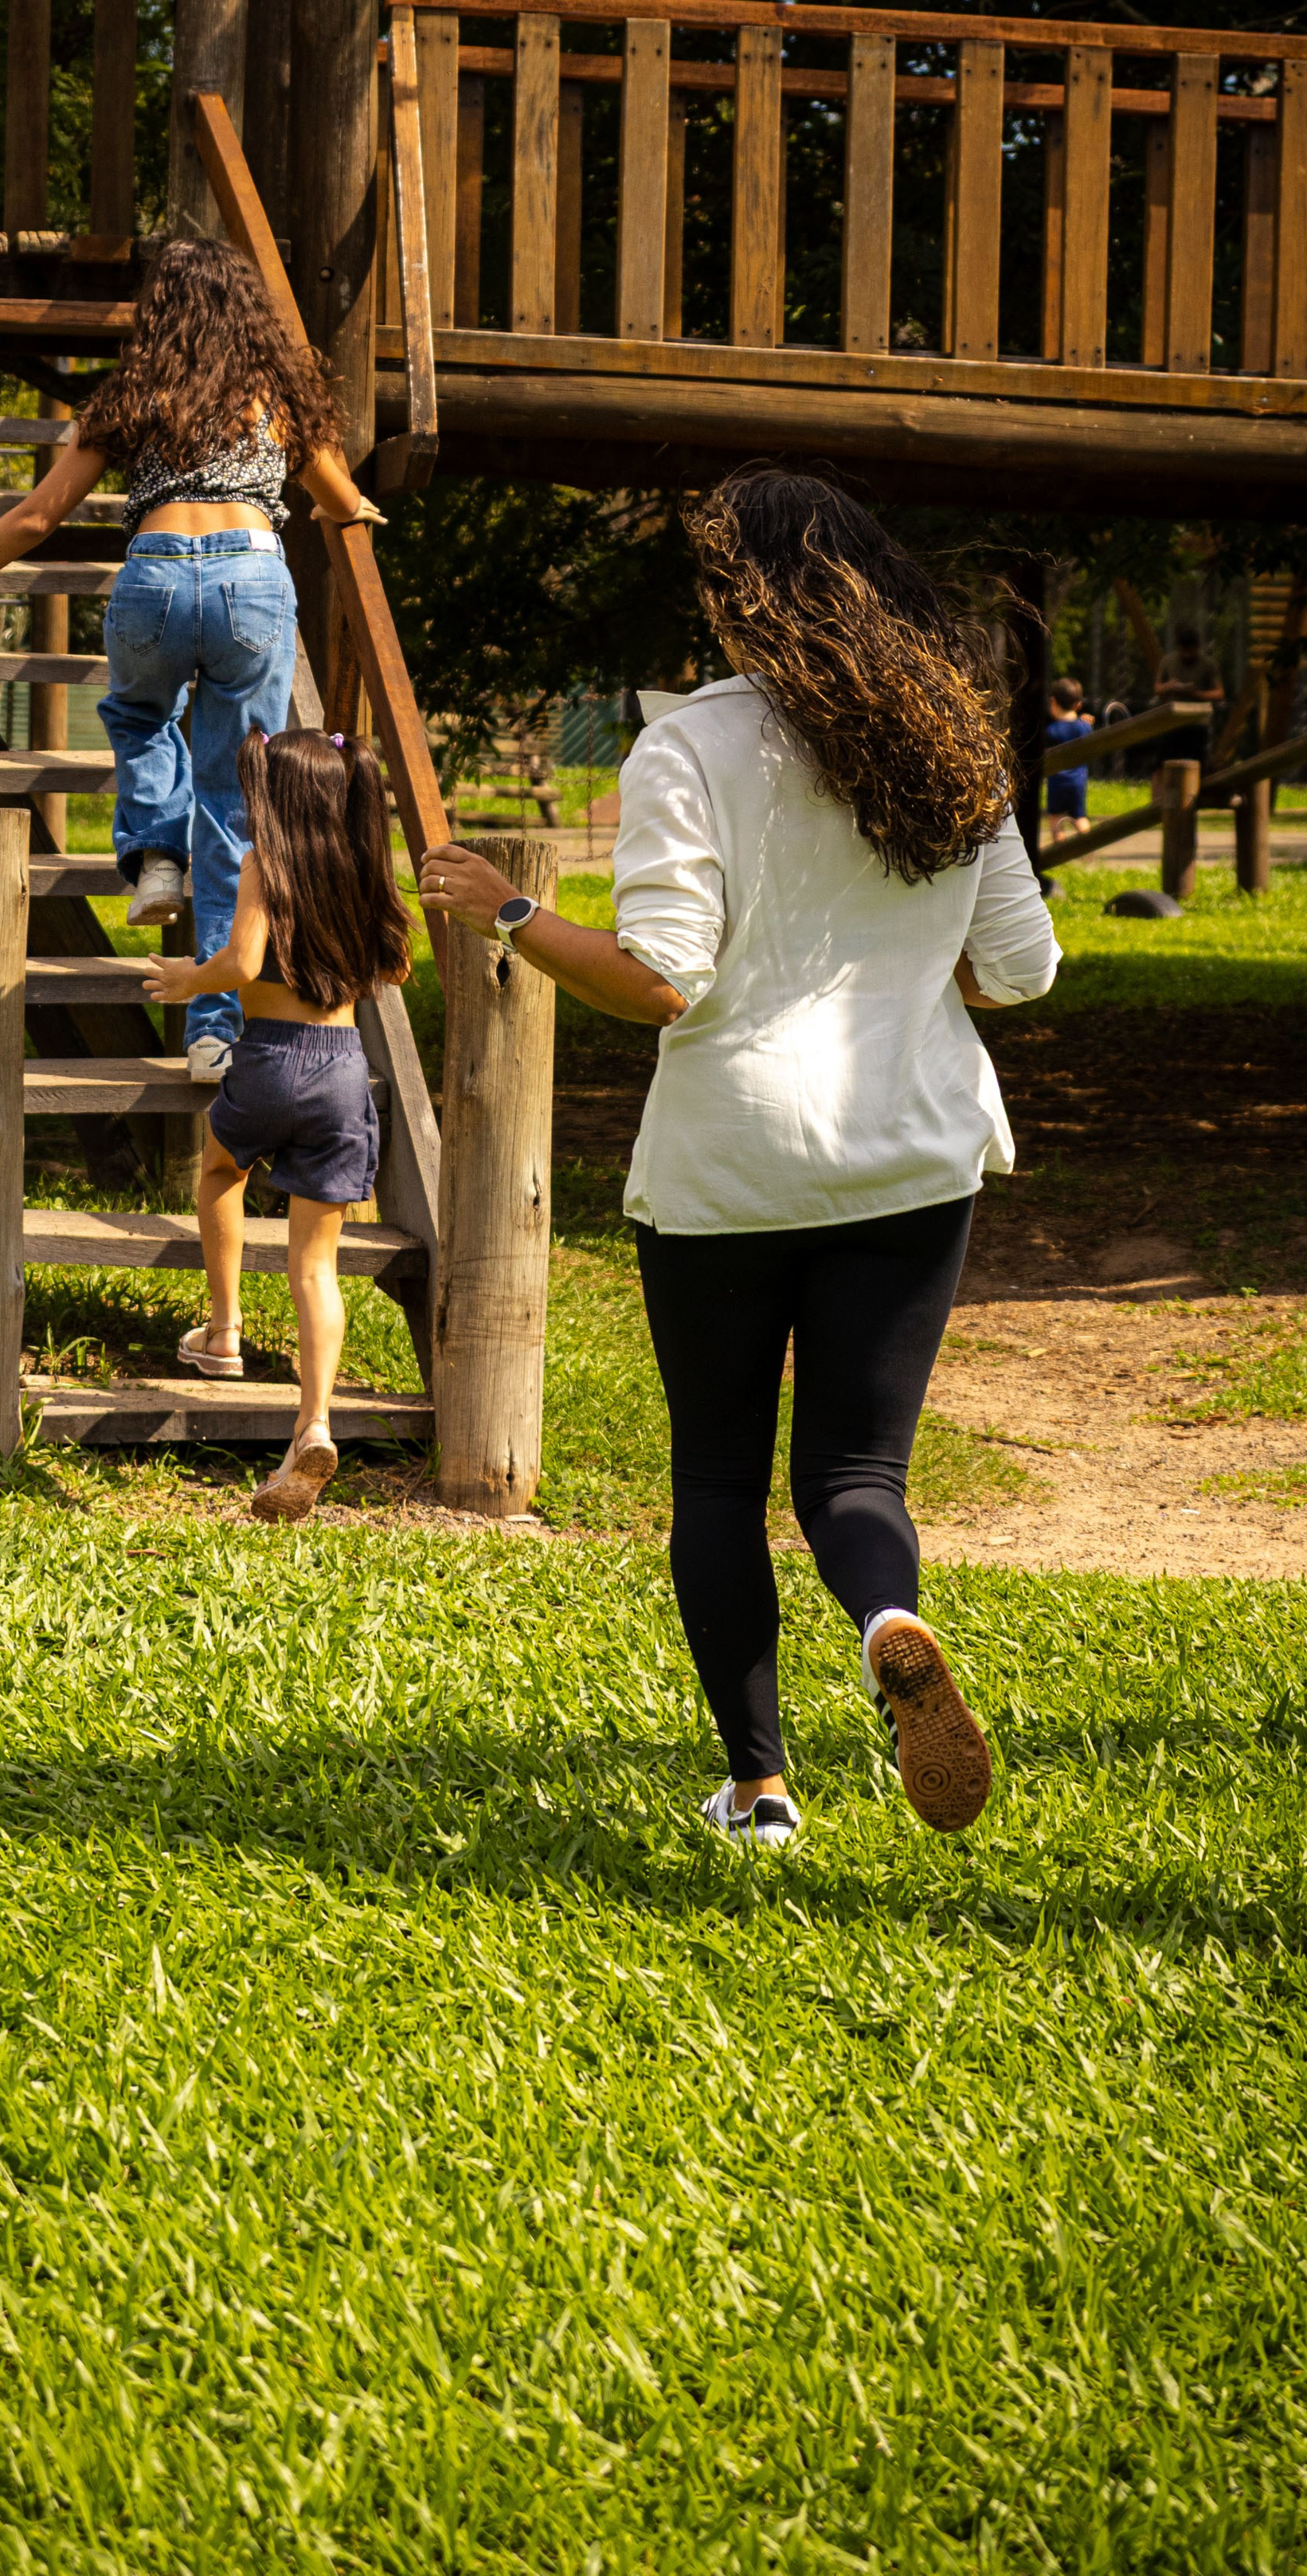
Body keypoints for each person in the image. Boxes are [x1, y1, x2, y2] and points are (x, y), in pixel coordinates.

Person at [420, 472, 1060, 1851]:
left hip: (730, 1172)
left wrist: (511, 910)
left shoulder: (691, 747)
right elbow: (1023, 965)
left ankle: (761, 1788)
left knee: (718, 1481)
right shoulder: (954, 741)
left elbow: (661, 979)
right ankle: (892, 1621)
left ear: (737, 597)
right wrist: (893, 977)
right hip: (912, 1158)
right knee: (855, 1478)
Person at [0, 239, 384, 1084]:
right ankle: (214, 1036)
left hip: (156, 577)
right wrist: (362, 510)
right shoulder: (275, 395)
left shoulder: (135, 396)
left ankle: (154, 857)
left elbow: (37, 519)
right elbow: (337, 497)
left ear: (159, 315)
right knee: (238, 800)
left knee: (139, 716)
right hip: (251, 575)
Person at [144, 726, 413, 1523]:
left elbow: (243, 963)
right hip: (340, 1067)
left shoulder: (268, 865)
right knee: (315, 1266)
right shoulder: (362, 868)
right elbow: (393, 968)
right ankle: (313, 1424)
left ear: (280, 801)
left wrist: (186, 978)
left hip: (271, 1058)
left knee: (222, 1172)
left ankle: (223, 1330)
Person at [1150, 622, 1223, 800]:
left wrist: (1196, 693)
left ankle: (1195, 800)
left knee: (1198, 764)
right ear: (1179, 648)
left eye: (1191, 651)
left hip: (1198, 723)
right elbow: (1157, 688)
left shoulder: (1208, 664)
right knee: (1162, 764)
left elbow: (1219, 693)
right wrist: (1169, 687)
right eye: (1185, 651)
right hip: (1173, 722)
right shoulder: (1168, 661)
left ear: (1197, 648)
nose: (1188, 655)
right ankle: (1157, 802)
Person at [1044, 675, 1094, 844]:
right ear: (1078, 704)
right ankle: (1088, 849)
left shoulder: (1051, 730)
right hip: (1078, 781)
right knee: (1080, 817)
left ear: (1053, 702)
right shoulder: (1084, 728)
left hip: (1056, 781)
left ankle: (1059, 850)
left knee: (1055, 818)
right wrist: (1088, 723)